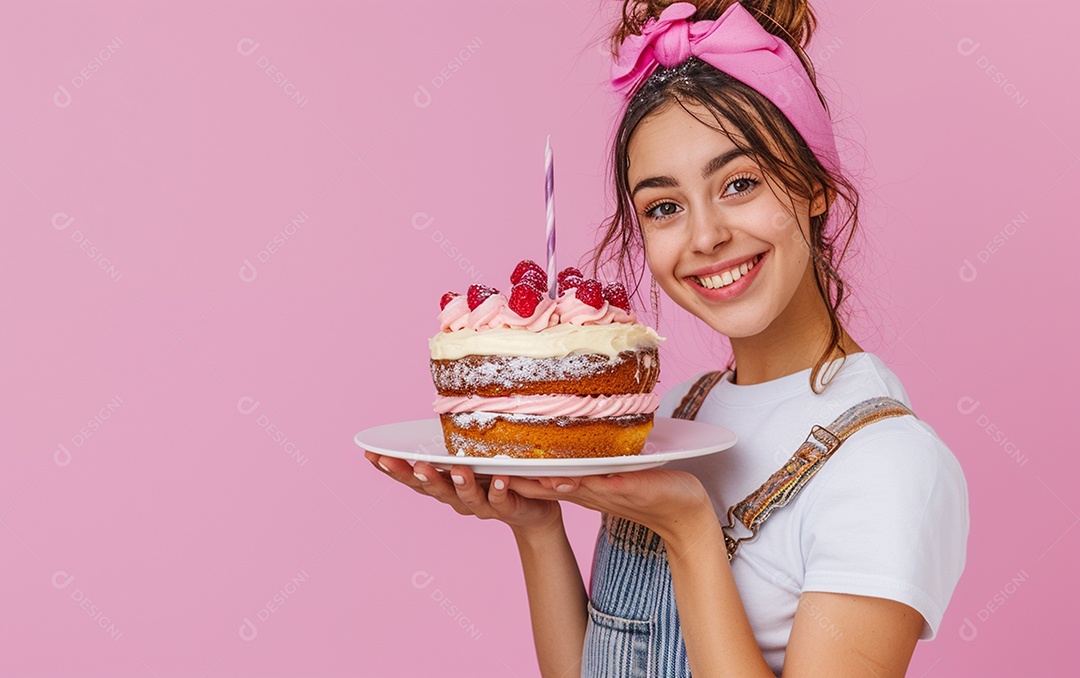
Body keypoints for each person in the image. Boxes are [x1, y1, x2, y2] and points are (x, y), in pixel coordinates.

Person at [365, 1, 969, 675]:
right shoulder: (672, 415)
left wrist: (689, 530)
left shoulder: (886, 466)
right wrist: (535, 528)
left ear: (815, 183)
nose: (706, 236)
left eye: (739, 183)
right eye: (664, 207)